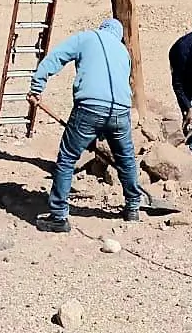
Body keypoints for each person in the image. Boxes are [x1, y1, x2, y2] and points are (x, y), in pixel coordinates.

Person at [27, 17, 140, 233]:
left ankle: (59, 217)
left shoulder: (86, 38)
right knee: (126, 160)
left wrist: (36, 87)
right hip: (120, 112)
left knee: (67, 159)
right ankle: (133, 207)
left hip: (89, 109)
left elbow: (55, 58)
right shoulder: (123, 52)